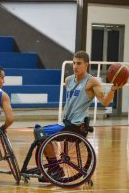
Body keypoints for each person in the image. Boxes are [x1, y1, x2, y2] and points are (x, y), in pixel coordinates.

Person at [36, 50, 123, 181]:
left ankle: (55, 169)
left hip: (76, 125)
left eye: (79, 63)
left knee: (40, 132)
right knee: (38, 130)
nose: (75, 66)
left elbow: (105, 102)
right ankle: (53, 168)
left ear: (86, 64)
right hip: (66, 122)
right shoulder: (68, 80)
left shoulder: (92, 82)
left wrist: (113, 90)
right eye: (74, 63)